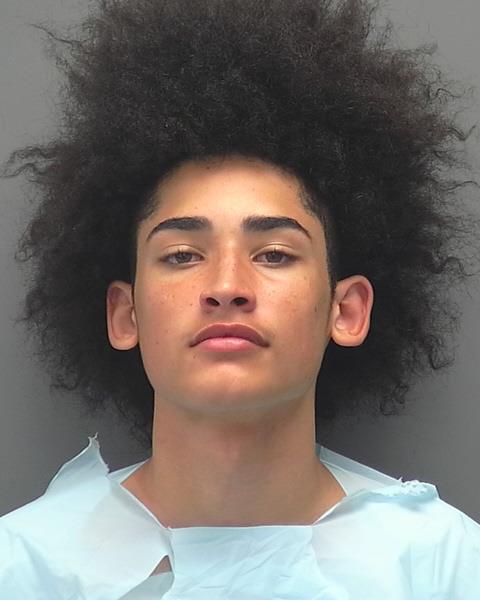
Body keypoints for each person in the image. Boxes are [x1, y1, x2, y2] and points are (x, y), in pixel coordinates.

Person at [1, 0, 480, 597]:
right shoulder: (23, 569)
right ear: (125, 314)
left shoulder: (445, 567)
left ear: (347, 310)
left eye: (274, 254)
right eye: (182, 255)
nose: (227, 286)